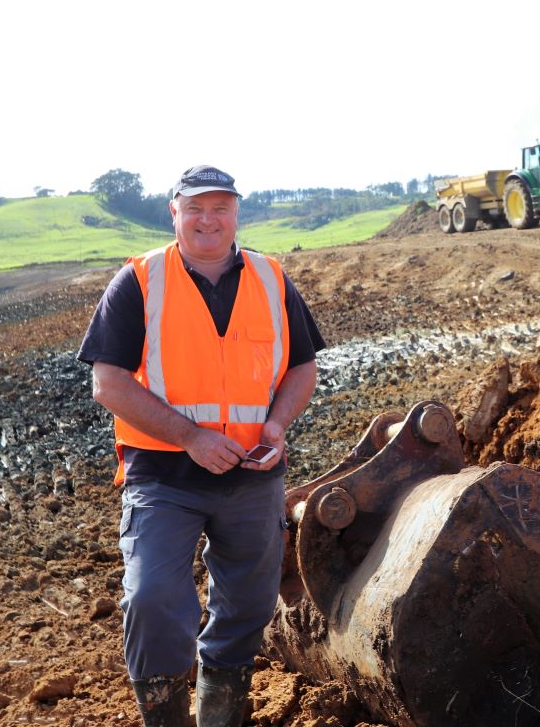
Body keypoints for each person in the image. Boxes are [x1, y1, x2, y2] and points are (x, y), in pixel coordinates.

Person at [77, 164, 326, 727]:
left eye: (220, 207)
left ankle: (221, 715)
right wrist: (189, 437)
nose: (207, 219)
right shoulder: (139, 281)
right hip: (164, 479)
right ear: (175, 213)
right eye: (195, 207)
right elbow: (108, 383)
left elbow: (303, 367)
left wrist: (278, 423)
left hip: (252, 476)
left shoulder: (271, 278)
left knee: (248, 607)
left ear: (237, 213)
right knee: (152, 598)